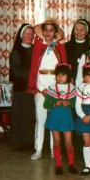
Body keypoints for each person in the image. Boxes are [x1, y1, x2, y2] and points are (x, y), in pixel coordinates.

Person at [27, 19, 67, 160]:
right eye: (46, 30)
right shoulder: (38, 47)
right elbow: (34, 70)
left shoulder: (60, 48)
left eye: (51, 30)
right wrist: (41, 89)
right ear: (42, 32)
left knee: (54, 121)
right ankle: (38, 149)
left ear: (55, 32)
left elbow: (63, 70)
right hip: (42, 88)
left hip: (56, 88)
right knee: (41, 120)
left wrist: (58, 89)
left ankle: (53, 149)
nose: (48, 33)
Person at [44, 63, 78, 175]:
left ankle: (71, 164)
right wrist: (54, 103)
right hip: (55, 118)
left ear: (68, 76)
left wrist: (69, 102)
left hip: (66, 118)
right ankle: (58, 164)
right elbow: (46, 104)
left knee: (69, 141)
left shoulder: (72, 89)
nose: (60, 77)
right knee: (57, 141)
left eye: (63, 75)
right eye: (58, 75)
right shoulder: (52, 88)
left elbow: (75, 103)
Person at [8, 23, 35, 147]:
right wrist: (33, 74)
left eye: (31, 34)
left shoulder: (36, 49)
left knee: (31, 115)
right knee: (21, 114)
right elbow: (16, 70)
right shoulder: (16, 51)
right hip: (21, 88)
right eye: (27, 34)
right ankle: (19, 142)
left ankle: (30, 141)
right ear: (21, 35)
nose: (29, 36)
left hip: (34, 88)